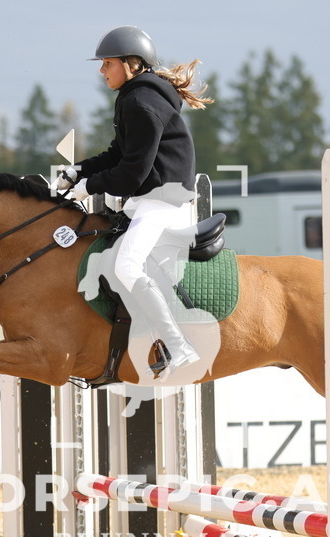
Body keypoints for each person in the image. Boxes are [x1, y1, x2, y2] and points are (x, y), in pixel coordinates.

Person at [57, 25, 213, 378]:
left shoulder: (142, 102)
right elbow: (117, 153)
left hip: (164, 201)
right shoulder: (134, 97)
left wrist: (88, 187)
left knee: (126, 266)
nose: (101, 71)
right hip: (150, 199)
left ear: (131, 63)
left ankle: (178, 345)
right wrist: (78, 170)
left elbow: (132, 174)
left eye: (107, 63)